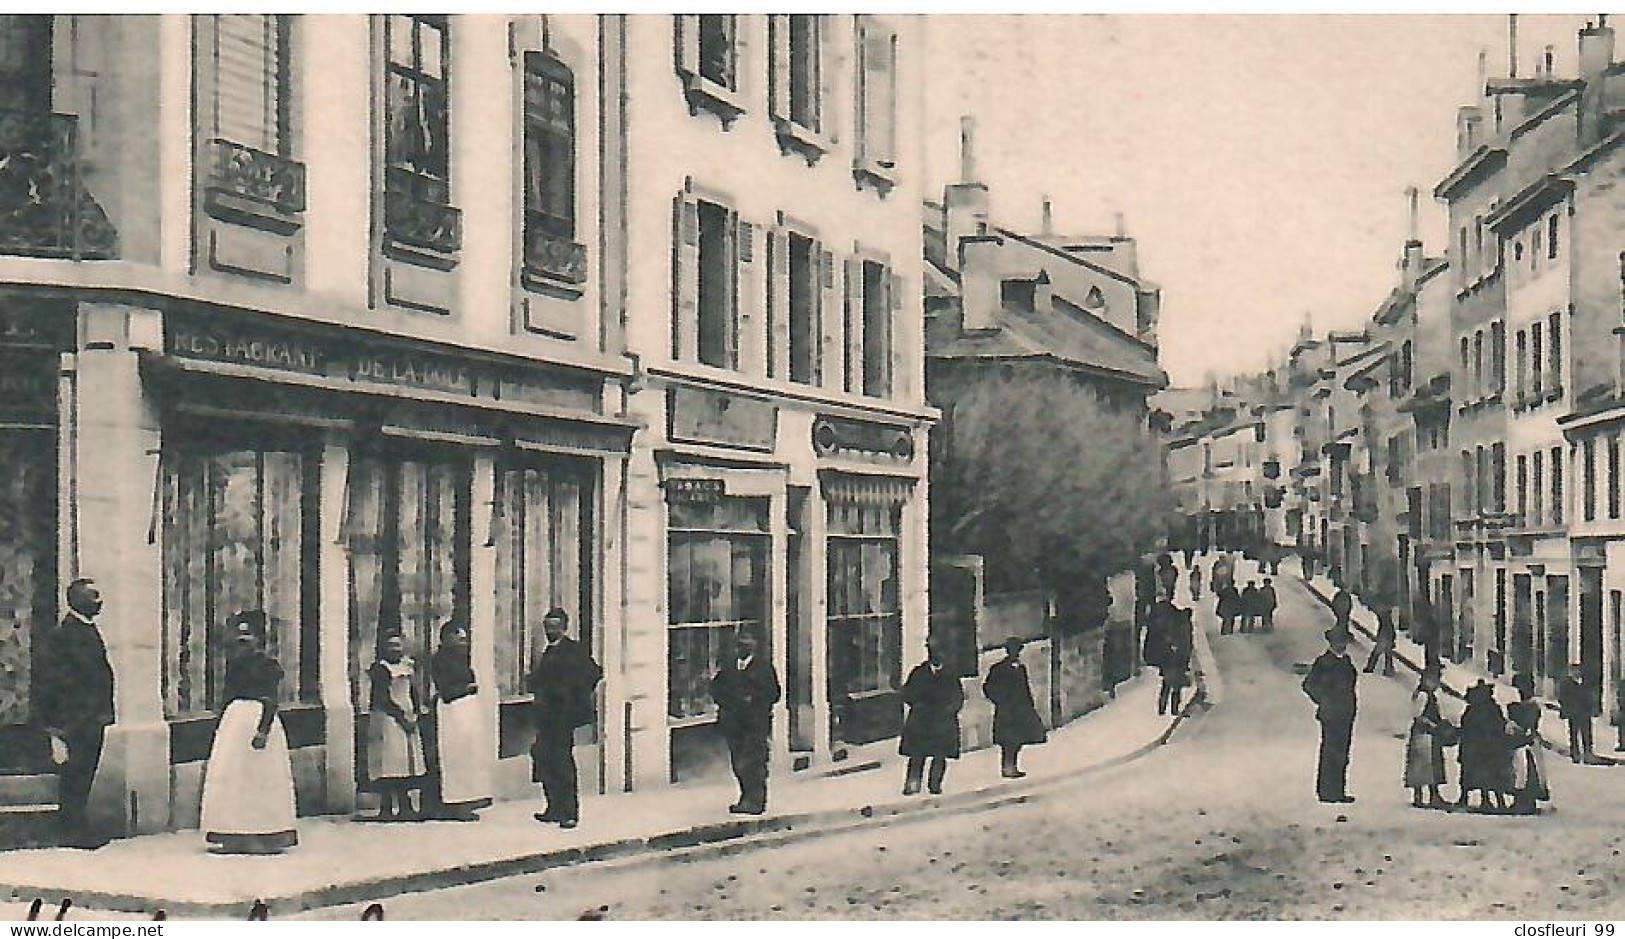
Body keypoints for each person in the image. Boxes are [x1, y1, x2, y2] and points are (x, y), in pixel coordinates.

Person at [199, 611, 298, 854]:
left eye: (249, 635)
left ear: (258, 640)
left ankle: (264, 834)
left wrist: (263, 730)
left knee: (259, 777)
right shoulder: (234, 664)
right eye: (240, 635)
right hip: (234, 724)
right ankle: (233, 834)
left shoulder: (268, 666)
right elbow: (227, 696)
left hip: (257, 718)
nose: (244, 640)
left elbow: (271, 699)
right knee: (233, 777)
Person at [33, 578, 114, 849]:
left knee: (84, 774)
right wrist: (57, 728)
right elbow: (54, 683)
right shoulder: (65, 635)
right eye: (93, 596)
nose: (99, 601)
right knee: (75, 776)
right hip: (76, 722)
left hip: (91, 720)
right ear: (76, 600)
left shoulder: (87, 629)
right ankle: (72, 830)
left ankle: (77, 826)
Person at [529, 608, 602, 829]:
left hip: (562, 717)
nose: (551, 631)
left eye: (555, 626)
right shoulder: (548, 651)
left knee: (562, 763)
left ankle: (569, 812)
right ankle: (553, 808)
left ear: (564, 627)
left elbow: (594, 672)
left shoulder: (573, 650)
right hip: (546, 717)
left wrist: (573, 696)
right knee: (544, 760)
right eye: (547, 627)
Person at [710, 630, 781, 815]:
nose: (741, 648)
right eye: (739, 644)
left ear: (753, 647)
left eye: (746, 644)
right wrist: (726, 701)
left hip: (755, 725)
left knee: (754, 762)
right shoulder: (729, 668)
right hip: (734, 723)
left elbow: (774, 694)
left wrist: (754, 700)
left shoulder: (763, 668)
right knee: (738, 763)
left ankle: (757, 801)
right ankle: (745, 797)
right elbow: (715, 689)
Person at [431, 620, 491, 821]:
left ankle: (469, 800)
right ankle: (454, 802)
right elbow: (446, 691)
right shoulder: (441, 660)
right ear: (447, 638)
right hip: (452, 711)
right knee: (455, 757)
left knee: (468, 756)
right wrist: (467, 688)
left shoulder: (461, 660)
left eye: (465, 640)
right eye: (459, 639)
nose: (463, 644)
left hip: (466, 711)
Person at [367, 631, 425, 821]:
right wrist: (401, 718)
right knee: (389, 762)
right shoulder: (380, 669)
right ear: (384, 648)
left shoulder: (407, 666)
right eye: (391, 646)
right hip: (388, 719)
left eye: (398, 645)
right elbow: (382, 698)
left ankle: (405, 804)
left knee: (405, 762)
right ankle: (386, 807)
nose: (395, 649)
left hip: (407, 716)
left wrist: (415, 712)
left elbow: (413, 692)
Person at [900, 645, 964, 796]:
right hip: (921, 721)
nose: (936, 657)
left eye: (939, 655)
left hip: (942, 722)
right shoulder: (918, 673)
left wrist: (950, 709)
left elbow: (957, 697)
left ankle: (935, 785)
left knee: (940, 756)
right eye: (933, 654)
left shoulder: (950, 675)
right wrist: (919, 704)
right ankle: (912, 785)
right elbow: (907, 693)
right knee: (917, 755)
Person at [1302, 629, 1358, 803]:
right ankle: (1326, 792)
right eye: (1338, 642)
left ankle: (1339, 790)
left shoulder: (1347, 661)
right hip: (1331, 714)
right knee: (1330, 752)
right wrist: (1324, 701)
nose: (1341, 645)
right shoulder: (1323, 662)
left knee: (1343, 752)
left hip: (1346, 714)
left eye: (1343, 642)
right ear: (1331, 643)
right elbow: (1308, 685)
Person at [983, 638, 1047, 778]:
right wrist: (1000, 700)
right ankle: (1007, 767)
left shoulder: (1020, 668)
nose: (1016, 654)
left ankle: (1013, 766)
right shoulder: (998, 669)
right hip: (1006, 710)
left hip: (1020, 709)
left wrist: (1030, 705)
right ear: (1008, 651)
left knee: (1019, 740)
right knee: (1008, 741)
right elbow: (988, 687)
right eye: (1013, 651)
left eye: (1017, 651)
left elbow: (1025, 688)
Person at [1456, 680, 1510, 813]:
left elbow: (1466, 726)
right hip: (1485, 748)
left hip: (1477, 748)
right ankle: (1492, 800)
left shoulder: (1474, 709)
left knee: (1475, 775)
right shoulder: (1491, 708)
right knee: (1488, 775)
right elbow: (1500, 724)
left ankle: (1470, 798)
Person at [1403, 667, 1451, 810]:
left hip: (1428, 734)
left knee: (1429, 764)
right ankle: (1424, 795)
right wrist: (1433, 725)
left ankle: (1431, 794)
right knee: (1424, 765)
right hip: (1424, 734)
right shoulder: (1423, 695)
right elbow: (1417, 715)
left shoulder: (1429, 695)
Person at [1507, 673, 1551, 815]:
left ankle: (1526, 803)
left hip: (1528, 742)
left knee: (1527, 773)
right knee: (1523, 773)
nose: (1520, 692)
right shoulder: (1526, 704)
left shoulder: (1532, 706)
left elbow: (1528, 724)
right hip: (1526, 742)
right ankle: (1523, 802)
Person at [1158, 608, 1194, 716]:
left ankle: (1162, 708)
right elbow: (1187, 646)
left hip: (1169, 662)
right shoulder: (1185, 627)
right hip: (1178, 662)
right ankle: (1174, 709)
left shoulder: (1173, 625)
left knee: (1166, 686)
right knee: (1176, 688)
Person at [1558, 670, 1596, 765]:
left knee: (1587, 733)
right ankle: (1575, 754)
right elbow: (1562, 697)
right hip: (1573, 712)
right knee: (1573, 734)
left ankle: (1588, 754)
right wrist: (1567, 707)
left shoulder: (1585, 682)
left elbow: (1590, 695)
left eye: (1578, 671)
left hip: (1584, 711)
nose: (1576, 673)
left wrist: (1590, 705)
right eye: (1574, 671)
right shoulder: (1566, 683)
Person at [1364, 608, 1397, 676]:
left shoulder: (1384, 619)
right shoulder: (1387, 620)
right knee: (1388, 655)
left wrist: (1379, 637)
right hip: (1387, 638)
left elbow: (1383, 629)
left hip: (1385, 638)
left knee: (1376, 653)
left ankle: (1370, 668)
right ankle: (1388, 669)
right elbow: (1391, 630)